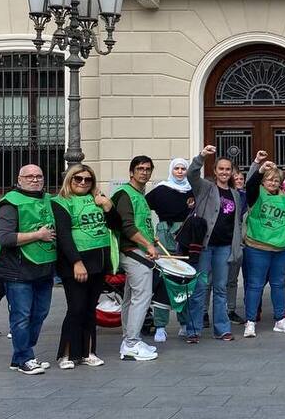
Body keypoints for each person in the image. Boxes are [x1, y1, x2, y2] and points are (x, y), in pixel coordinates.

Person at [52, 164, 118, 369]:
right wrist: (76, 263)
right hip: (76, 263)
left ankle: (89, 352)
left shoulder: (98, 198)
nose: (82, 182)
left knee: (90, 309)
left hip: (99, 262)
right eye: (77, 179)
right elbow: (63, 235)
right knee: (76, 308)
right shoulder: (61, 202)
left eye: (87, 179)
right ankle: (66, 354)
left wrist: (107, 206)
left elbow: (116, 225)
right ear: (69, 180)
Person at [0, 164, 57, 374]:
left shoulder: (49, 200)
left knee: (40, 313)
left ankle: (20, 355)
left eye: (39, 175)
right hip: (17, 270)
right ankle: (25, 359)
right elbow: (5, 238)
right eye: (29, 176)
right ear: (19, 179)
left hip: (45, 268)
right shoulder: (9, 203)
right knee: (21, 316)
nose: (35, 179)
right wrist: (38, 235)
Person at [184, 145, 244, 342]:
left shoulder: (235, 194)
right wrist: (201, 156)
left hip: (224, 246)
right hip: (205, 246)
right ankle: (193, 330)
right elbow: (192, 174)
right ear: (215, 171)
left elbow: (236, 222)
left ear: (232, 172)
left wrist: (236, 248)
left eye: (228, 169)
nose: (225, 172)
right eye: (221, 169)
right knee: (200, 287)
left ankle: (222, 329)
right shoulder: (206, 188)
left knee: (220, 288)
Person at [241, 152, 285, 337]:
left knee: (279, 285)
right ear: (263, 181)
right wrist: (259, 169)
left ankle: (280, 320)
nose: (272, 183)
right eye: (269, 179)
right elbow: (249, 185)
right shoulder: (256, 194)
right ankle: (250, 321)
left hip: (281, 249)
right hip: (258, 247)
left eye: (276, 180)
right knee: (255, 285)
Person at [112, 156, 161, 362]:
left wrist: (151, 238)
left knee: (131, 298)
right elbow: (127, 226)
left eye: (148, 169)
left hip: (138, 250)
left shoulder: (139, 194)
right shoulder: (125, 194)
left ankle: (129, 340)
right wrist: (147, 244)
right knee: (142, 297)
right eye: (140, 168)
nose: (144, 172)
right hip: (133, 251)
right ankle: (131, 343)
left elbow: (138, 223)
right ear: (131, 172)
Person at [145, 157, 196, 342]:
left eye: (183, 168)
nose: (180, 171)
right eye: (177, 168)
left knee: (184, 281)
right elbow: (142, 209)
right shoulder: (160, 190)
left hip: (187, 238)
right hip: (165, 237)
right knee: (163, 281)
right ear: (171, 170)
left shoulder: (193, 189)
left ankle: (184, 324)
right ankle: (160, 326)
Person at [227, 170, 249, 324]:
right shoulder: (226, 195)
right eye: (236, 178)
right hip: (223, 241)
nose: (239, 181)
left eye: (242, 178)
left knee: (233, 279)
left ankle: (230, 310)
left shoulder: (245, 196)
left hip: (242, 241)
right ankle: (204, 313)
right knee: (210, 280)